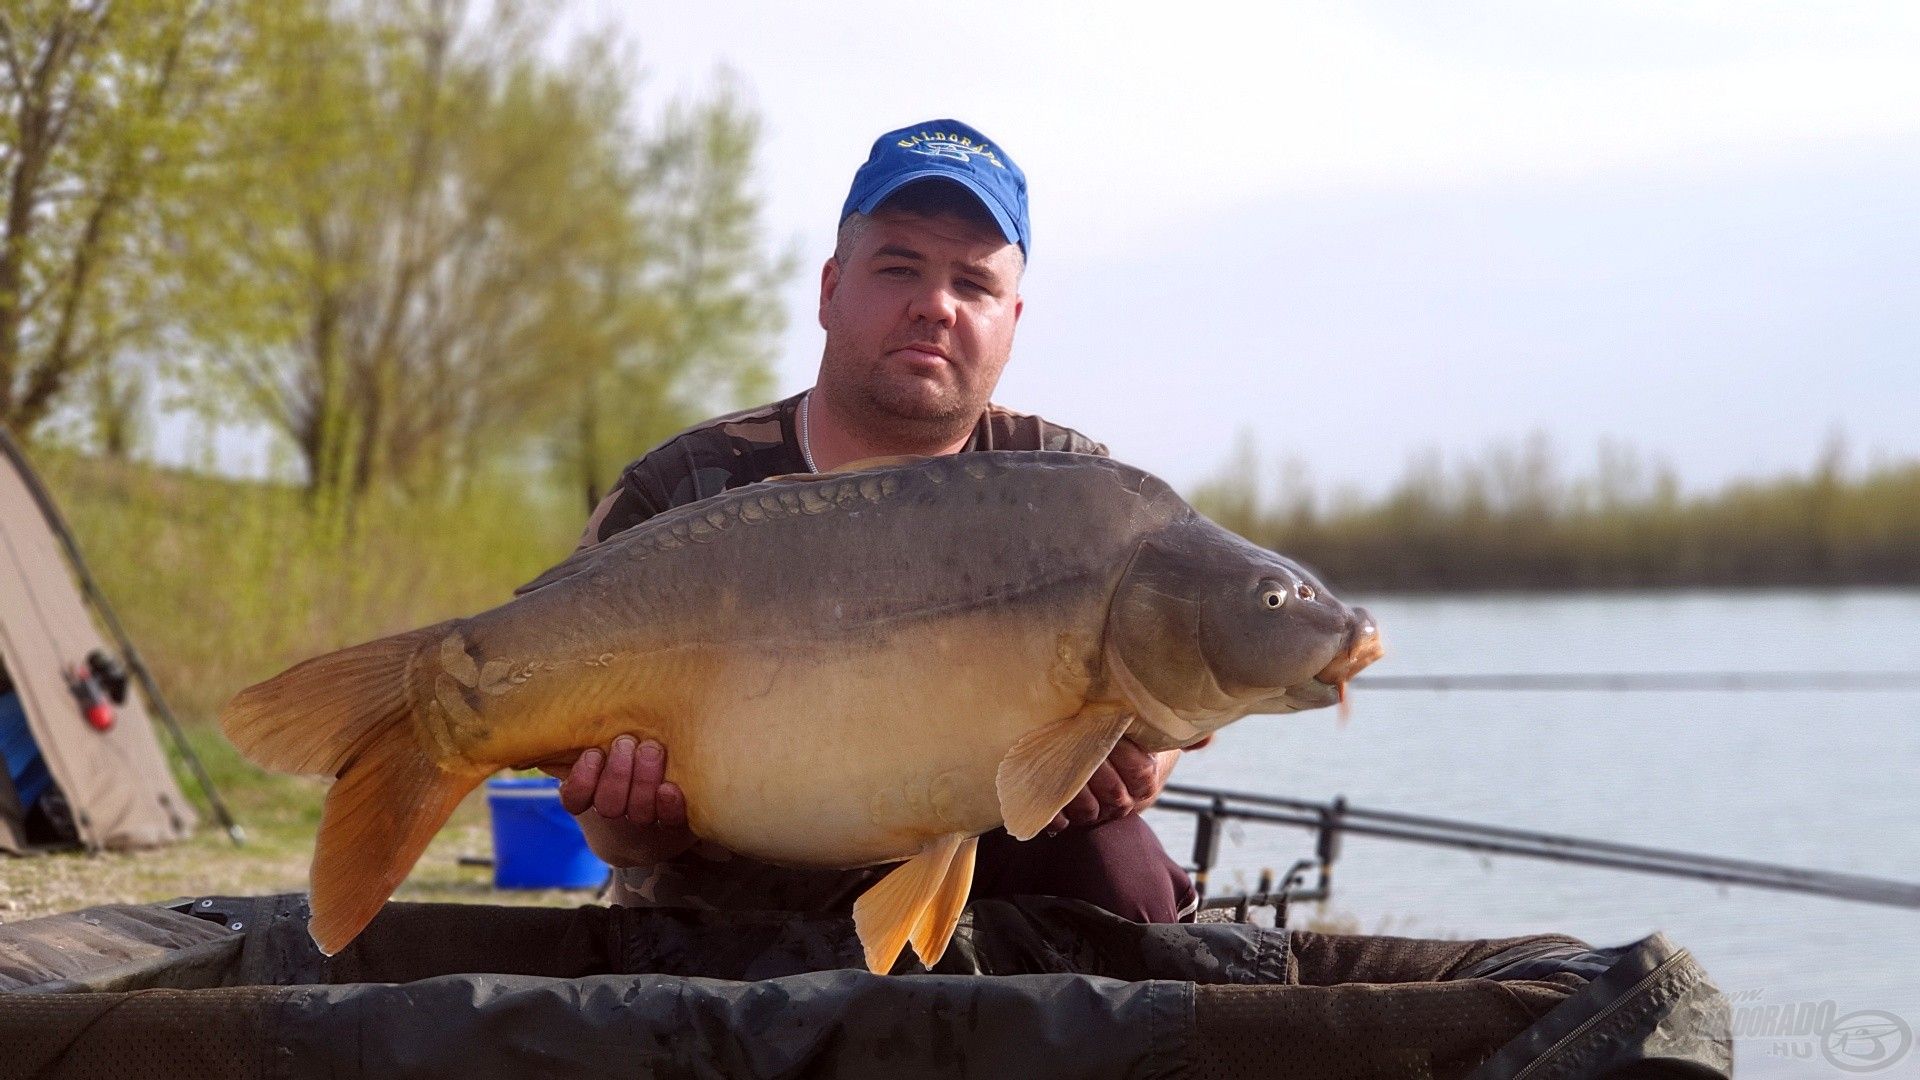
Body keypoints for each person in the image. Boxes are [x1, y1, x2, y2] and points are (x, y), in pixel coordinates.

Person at [544, 120, 1200, 923]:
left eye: (974, 285)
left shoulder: (1079, 490)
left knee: (1125, 876)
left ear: (1013, 318)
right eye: (899, 269)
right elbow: (616, 840)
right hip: (730, 904)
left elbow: (1180, 653)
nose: (935, 306)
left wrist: (1151, 757)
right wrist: (624, 814)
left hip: (980, 871)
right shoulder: (682, 489)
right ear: (828, 290)